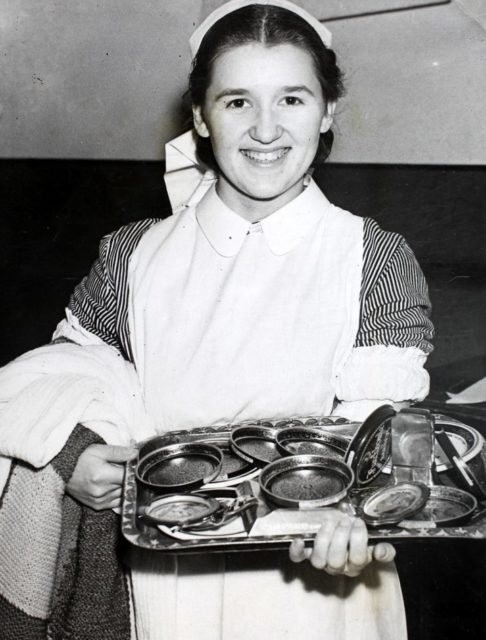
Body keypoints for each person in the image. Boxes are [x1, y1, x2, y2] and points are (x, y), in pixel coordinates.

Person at [0, 1, 433, 638]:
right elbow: (66, 383)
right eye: (237, 102)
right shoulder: (133, 254)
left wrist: (368, 518)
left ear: (328, 110)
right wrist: (75, 458)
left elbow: (388, 438)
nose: (266, 130)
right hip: (167, 591)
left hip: (321, 593)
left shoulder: (373, 256)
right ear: (201, 116)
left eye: (292, 99)